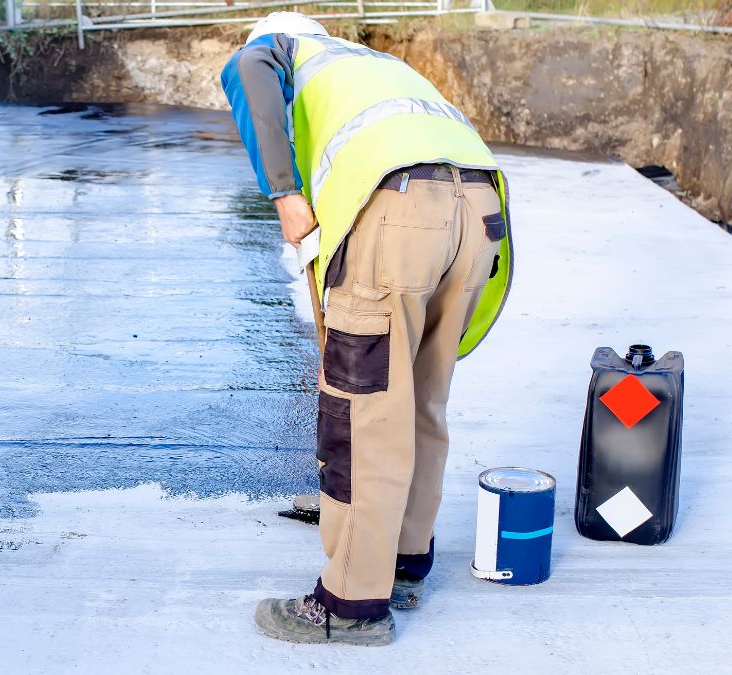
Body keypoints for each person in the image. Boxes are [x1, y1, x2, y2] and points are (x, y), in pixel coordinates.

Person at [220, 12, 513, 645]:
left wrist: (284, 195)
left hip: (401, 214)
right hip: (479, 210)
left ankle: (351, 603)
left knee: (362, 411)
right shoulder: (369, 66)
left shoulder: (277, 51)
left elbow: (247, 70)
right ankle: (404, 560)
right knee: (421, 398)